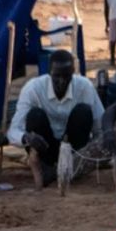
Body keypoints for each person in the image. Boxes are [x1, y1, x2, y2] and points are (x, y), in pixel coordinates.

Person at [9, 48, 102, 187]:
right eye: (57, 76)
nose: (61, 82)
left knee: (83, 111)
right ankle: (45, 168)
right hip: (45, 147)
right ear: (49, 73)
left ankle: (74, 166)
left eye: (66, 77)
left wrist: (94, 154)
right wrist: (27, 138)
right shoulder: (33, 88)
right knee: (35, 115)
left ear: (73, 73)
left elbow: (99, 127)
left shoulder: (84, 86)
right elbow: (13, 131)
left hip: (74, 147)